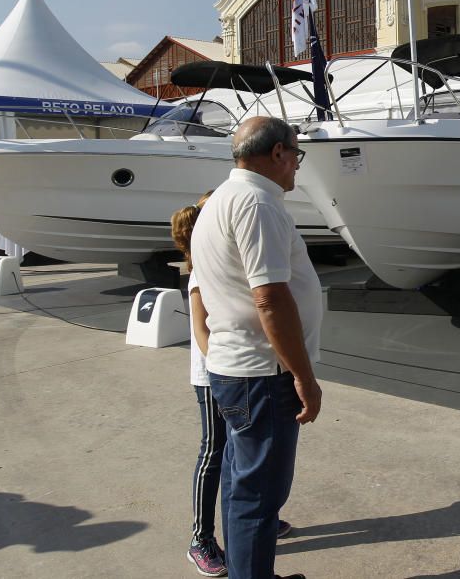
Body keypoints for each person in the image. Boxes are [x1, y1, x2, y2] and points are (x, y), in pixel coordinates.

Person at [191, 116, 322, 579]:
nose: (297, 169)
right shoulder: (255, 202)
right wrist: (304, 378)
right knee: (258, 497)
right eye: (297, 156)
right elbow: (269, 296)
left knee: (241, 487)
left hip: (238, 370)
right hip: (262, 375)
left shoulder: (223, 199)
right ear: (279, 153)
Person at [172, 191, 294, 578]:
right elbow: (201, 329)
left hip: (232, 373)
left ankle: (250, 526)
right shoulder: (201, 270)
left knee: (239, 460)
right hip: (217, 376)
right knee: (215, 452)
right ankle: (201, 538)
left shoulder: (226, 261)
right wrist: (222, 371)